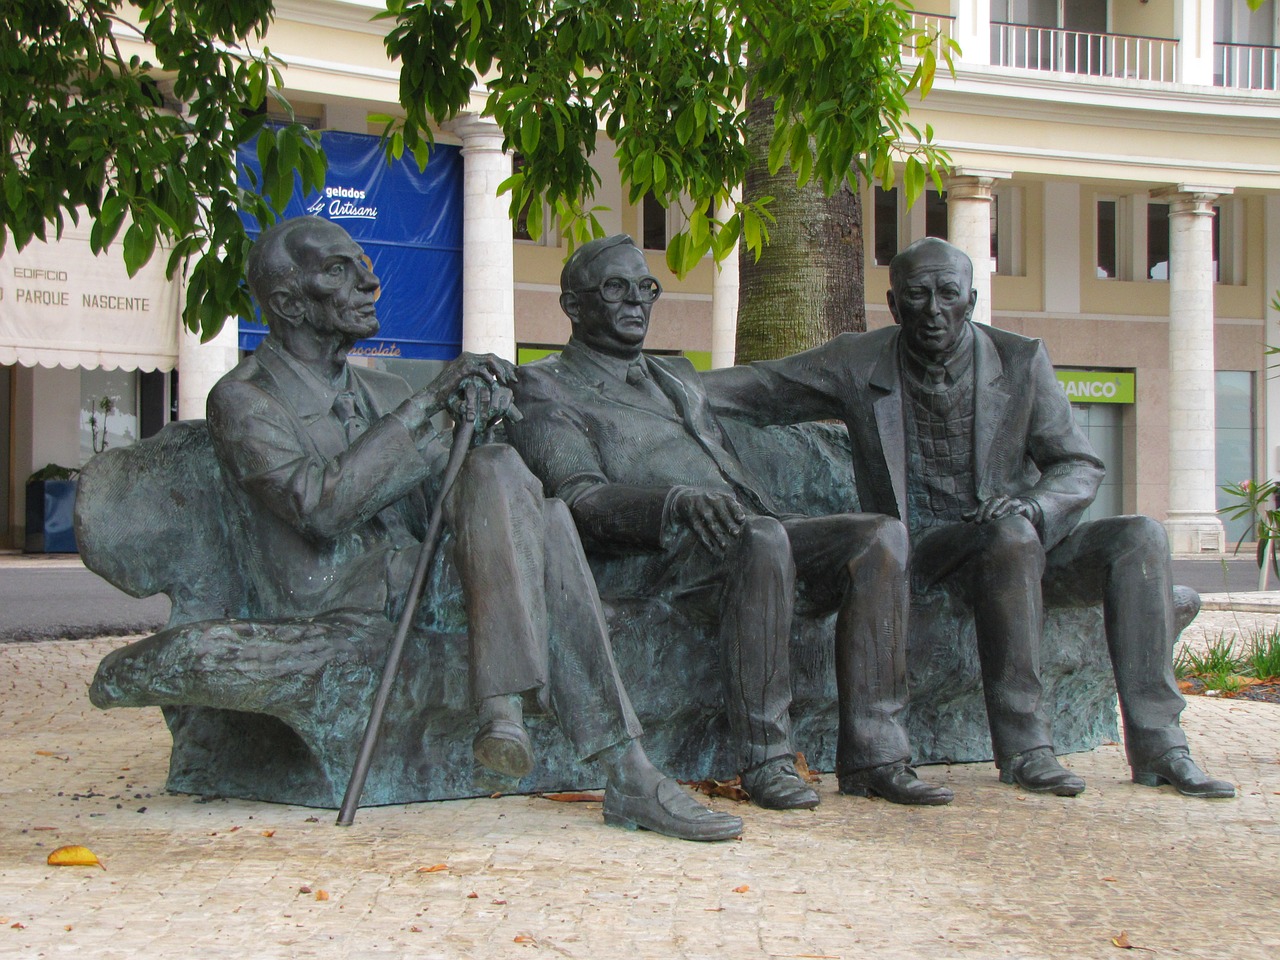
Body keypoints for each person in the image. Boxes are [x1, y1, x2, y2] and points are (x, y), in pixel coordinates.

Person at [205, 216, 744, 840]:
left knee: (523, 492)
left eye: (362, 263)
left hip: (417, 571)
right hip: (333, 587)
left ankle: (516, 717)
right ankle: (597, 755)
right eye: (338, 270)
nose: (370, 281)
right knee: (537, 518)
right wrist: (427, 406)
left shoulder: (376, 387)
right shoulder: (244, 399)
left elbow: (444, 494)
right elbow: (321, 509)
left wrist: (472, 423)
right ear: (289, 303)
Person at [703, 236, 1234, 799]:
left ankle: (1161, 745)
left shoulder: (1022, 360)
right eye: (918, 296)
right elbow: (760, 388)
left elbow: (1078, 464)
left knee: (1140, 537)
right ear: (894, 303)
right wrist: (639, 381)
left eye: (947, 295)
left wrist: (1034, 504)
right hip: (922, 550)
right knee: (1006, 537)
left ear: (972, 299)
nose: (933, 311)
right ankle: (1028, 748)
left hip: (1020, 543)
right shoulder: (858, 361)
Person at [505, 234, 954, 809]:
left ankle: (876, 756)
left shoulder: (675, 377)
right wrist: (673, 503)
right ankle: (766, 760)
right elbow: (580, 496)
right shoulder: (543, 384)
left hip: (745, 527)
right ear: (573, 305)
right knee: (761, 537)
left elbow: (779, 390)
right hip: (653, 552)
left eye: (646, 289)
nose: (635, 303)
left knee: (879, 537)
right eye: (614, 289)